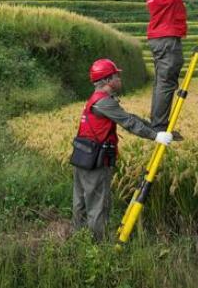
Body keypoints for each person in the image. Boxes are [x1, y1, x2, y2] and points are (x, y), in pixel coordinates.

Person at [72, 58, 173, 241]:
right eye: (117, 75)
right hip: (95, 160)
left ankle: (79, 240)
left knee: (81, 202)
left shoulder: (98, 99)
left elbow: (129, 116)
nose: (120, 78)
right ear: (108, 80)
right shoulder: (104, 103)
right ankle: (97, 246)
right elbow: (129, 122)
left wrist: (153, 128)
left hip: (82, 156)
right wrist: (155, 137)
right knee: (97, 205)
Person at [138, 0, 198, 136]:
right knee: (167, 82)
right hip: (166, 37)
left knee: (162, 82)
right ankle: (159, 126)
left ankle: (158, 123)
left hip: (159, 37)